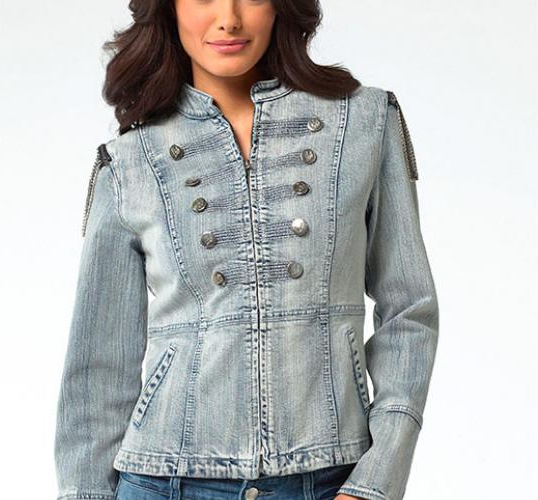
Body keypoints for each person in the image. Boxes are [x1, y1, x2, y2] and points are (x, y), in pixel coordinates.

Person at [54, 1, 439, 499]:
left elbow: (409, 311)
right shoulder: (130, 161)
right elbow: (98, 369)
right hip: (163, 479)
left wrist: (376, 480)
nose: (229, 18)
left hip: (328, 479)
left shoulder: (362, 123)